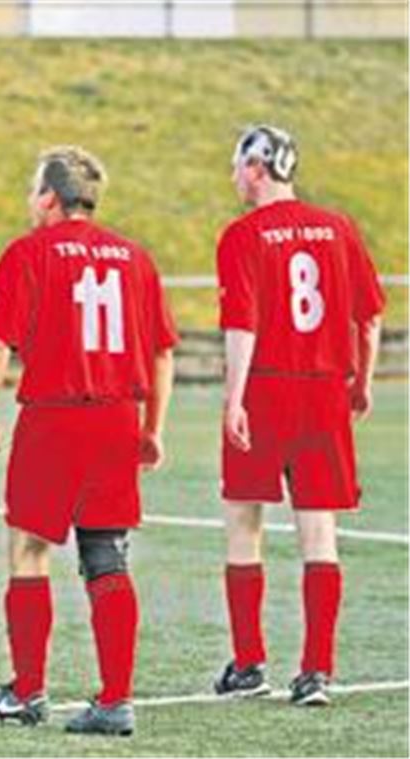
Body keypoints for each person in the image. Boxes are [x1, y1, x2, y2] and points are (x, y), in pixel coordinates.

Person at [0, 146, 177, 736]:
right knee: (107, 554)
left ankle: (29, 691)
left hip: (55, 418)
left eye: (34, 191)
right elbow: (163, 352)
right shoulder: (136, 258)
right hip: (118, 419)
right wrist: (153, 428)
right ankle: (116, 700)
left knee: (29, 549)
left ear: (50, 199)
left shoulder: (28, 253)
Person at [213, 125, 385, 707]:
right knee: (319, 532)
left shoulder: (242, 236)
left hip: (266, 389)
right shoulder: (340, 228)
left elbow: (244, 324)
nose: (234, 177)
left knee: (244, 523)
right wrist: (361, 379)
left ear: (257, 167)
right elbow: (370, 315)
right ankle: (317, 671)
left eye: (238, 166)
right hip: (325, 395)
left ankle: (249, 662)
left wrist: (233, 398)